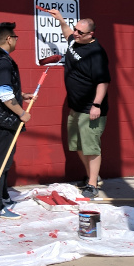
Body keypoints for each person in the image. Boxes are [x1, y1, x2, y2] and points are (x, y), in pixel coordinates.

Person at [47, 10, 110, 199]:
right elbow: (67, 34)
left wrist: (96, 105)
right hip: (75, 107)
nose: (75, 33)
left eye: (80, 32)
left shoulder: (96, 54)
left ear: (91, 34)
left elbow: (103, 81)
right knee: (78, 146)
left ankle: (92, 185)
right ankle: (94, 176)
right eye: (75, 29)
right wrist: (60, 20)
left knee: (91, 147)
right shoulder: (75, 41)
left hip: (90, 108)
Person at [0, 22, 33, 219]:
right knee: (1, 161)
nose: (17, 40)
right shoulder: (2, 61)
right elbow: (3, 93)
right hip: (1, 120)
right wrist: (21, 112)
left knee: (7, 159)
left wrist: (22, 95)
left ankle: (3, 195)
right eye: (16, 37)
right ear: (9, 39)